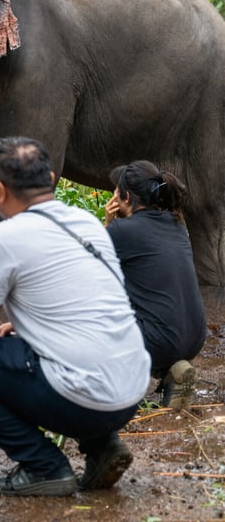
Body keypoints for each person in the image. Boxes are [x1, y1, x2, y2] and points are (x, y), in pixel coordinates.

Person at [0, 137, 150, 496]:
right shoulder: (89, 223)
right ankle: (102, 445)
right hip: (131, 389)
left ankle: (42, 465)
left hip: (84, 399)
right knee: (50, 350)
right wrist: (31, 321)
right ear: (49, 177)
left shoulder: (4, 237)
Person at [105, 161, 207, 410]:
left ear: (125, 197)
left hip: (161, 340)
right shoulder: (177, 225)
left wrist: (109, 224)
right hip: (195, 337)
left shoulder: (121, 230)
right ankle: (171, 371)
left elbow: (92, 276)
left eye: (116, 191)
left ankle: (119, 391)